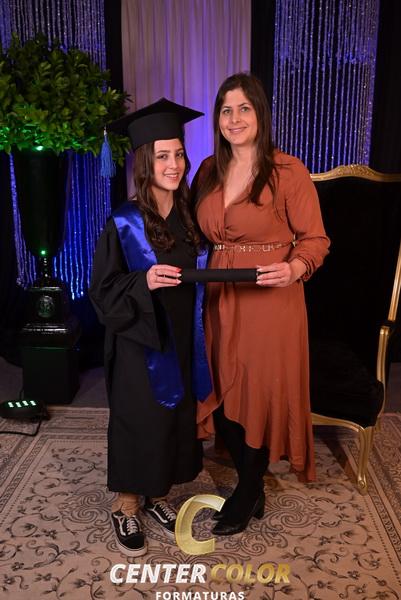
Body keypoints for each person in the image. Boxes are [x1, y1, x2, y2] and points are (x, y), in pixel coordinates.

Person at [192, 73, 330, 536]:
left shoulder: (288, 171)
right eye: (226, 110)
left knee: (255, 390)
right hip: (219, 295)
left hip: (270, 299)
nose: (234, 119)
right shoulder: (207, 170)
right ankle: (252, 485)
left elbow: (316, 239)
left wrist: (294, 268)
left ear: (260, 113)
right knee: (222, 386)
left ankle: (248, 489)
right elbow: (191, 231)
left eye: (244, 109)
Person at [89, 98, 211, 556]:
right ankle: (125, 504)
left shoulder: (189, 214)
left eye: (178, 154)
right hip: (139, 339)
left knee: (172, 419)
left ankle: (157, 494)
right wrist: (144, 281)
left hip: (181, 334)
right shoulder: (124, 221)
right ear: (145, 161)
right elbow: (102, 290)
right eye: (163, 156)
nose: (174, 164)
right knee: (141, 418)